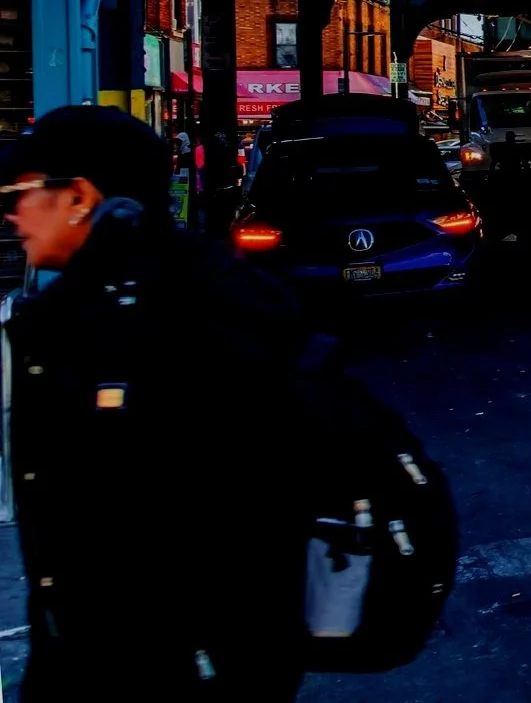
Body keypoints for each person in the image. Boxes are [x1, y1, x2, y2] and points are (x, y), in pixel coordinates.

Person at [2, 105, 312, 697]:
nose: (11, 212)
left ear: (79, 197)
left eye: (22, 191)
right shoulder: (181, 293)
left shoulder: (148, 319)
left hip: (166, 668)